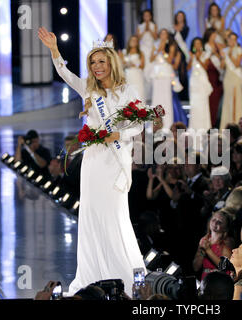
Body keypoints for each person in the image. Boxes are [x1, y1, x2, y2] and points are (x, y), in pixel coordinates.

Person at [38, 27, 145, 296]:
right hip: (95, 162)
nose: (96, 67)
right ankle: (93, 276)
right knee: (92, 217)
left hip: (116, 161)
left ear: (111, 63)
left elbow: (141, 123)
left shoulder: (127, 90)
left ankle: (122, 274)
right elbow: (65, 74)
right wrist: (55, 51)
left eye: (101, 61)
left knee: (114, 216)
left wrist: (119, 133)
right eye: (92, 62)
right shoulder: (88, 88)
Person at [193, 210, 234, 280]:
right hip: (205, 278)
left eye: (220, 222)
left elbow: (225, 267)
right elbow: (196, 267)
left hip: (218, 279)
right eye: (214, 219)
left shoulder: (227, 242)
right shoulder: (204, 239)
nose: (215, 223)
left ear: (226, 228)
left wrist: (208, 250)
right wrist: (201, 252)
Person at [150, 29, 176, 129]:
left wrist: (164, 51)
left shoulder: (171, 46)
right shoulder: (155, 44)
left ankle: (168, 124)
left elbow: (170, 60)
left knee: (166, 98)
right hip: (156, 74)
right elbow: (151, 59)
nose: (163, 35)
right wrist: (158, 50)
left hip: (166, 74)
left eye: (165, 33)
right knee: (157, 98)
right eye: (161, 33)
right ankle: (156, 124)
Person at [219, 32, 242, 129]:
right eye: (230, 39)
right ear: (227, 40)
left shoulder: (239, 50)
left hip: (236, 77)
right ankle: (226, 124)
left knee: (237, 99)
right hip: (228, 77)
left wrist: (229, 55)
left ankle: (237, 124)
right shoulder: (224, 51)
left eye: (234, 39)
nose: (232, 41)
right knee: (228, 100)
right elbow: (222, 66)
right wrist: (223, 58)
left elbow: (237, 64)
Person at [188, 37, 212, 131]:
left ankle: (204, 126)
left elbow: (205, 67)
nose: (197, 45)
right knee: (194, 103)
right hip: (194, 80)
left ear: (201, 45)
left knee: (203, 103)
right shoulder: (191, 55)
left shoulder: (206, 54)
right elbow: (188, 68)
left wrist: (198, 58)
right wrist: (192, 58)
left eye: (199, 43)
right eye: (195, 43)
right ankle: (194, 126)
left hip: (202, 80)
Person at [203, 28, 223, 128]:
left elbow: (221, 58)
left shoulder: (217, 46)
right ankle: (208, 122)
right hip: (208, 75)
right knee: (209, 100)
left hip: (216, 75)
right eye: (213, 34)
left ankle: (214, 122)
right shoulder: (204, 46)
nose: (214, 36)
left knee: (215, 101)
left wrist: (216, 54)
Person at [136, 9, 158, 100]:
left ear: (151, 16)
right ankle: (144, 94)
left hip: (151, 50)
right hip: (143, 49)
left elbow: (156, 37)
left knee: (151, 69)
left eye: (148, 15)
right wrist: (144, 30)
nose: (146, 17)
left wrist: (150, 29)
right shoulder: (140, 26)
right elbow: (138, 38)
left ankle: (151, 95)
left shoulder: (154, 26)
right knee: (144, 70)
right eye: (145, 16)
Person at [120, 35, 145, 101]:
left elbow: (142, 66)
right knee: (128, 92)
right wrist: (126, 64)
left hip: (137, 74)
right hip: (128, 74)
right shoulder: (124, 52)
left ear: (137, 43)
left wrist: (135, 65)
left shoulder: (140, 53)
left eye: (135, 41)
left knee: (138, 92)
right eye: (132, 40)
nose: (133, 42)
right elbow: (121, 64)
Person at [173, 10, 190, 102]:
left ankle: (184, 95)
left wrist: (178, 30)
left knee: (183, 72)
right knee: (177, 73)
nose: (180, 18)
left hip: (182, 52)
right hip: (176, 52)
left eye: (181, 16)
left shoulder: (186, 28)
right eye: (178, 16)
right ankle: (178, 94)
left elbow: (183, 37)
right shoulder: (173, 27)